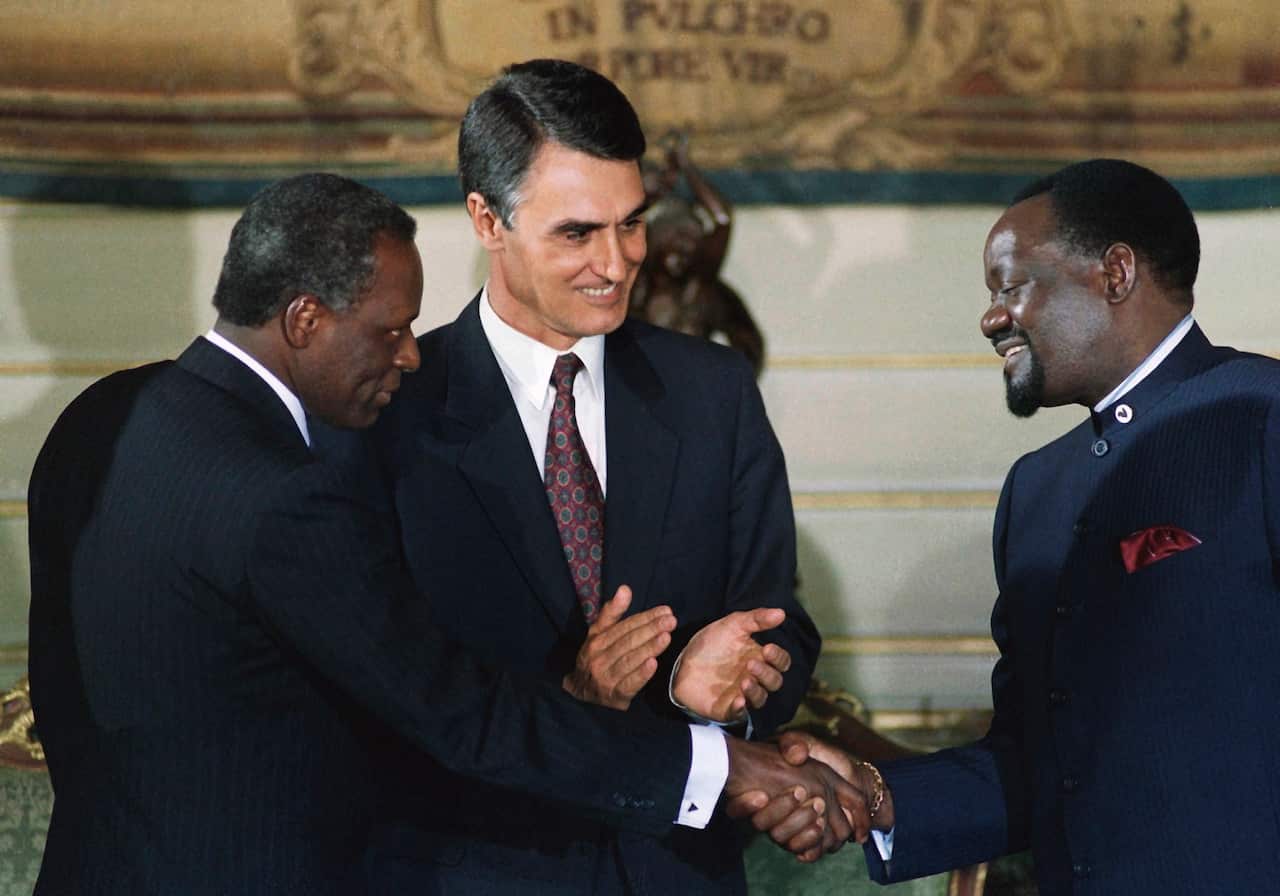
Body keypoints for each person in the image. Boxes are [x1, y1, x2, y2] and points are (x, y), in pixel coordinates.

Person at [26, 173, 865, 895]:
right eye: (389, 330)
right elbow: (459, 714)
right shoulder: (287, 498)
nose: (411, 356)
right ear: (305, 319)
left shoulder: (97, 420)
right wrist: (721, 769)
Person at [327, 59, 821, 895]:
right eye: (576, 233)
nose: (620, 261)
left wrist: (717, 692)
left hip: (675, 871)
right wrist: (568, 696)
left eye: (632, 223)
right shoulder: (388, 410)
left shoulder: (713, 390)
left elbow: (783, 624)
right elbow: (371, 700)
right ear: (487, 218)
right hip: (471, 872)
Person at [735, 157, 1280, 894]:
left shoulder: (1263, 419)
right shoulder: (1037, 490)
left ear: (1114, 273)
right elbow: (1041, 761)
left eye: (1012, 287)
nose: (992, 319)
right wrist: (877, 793)